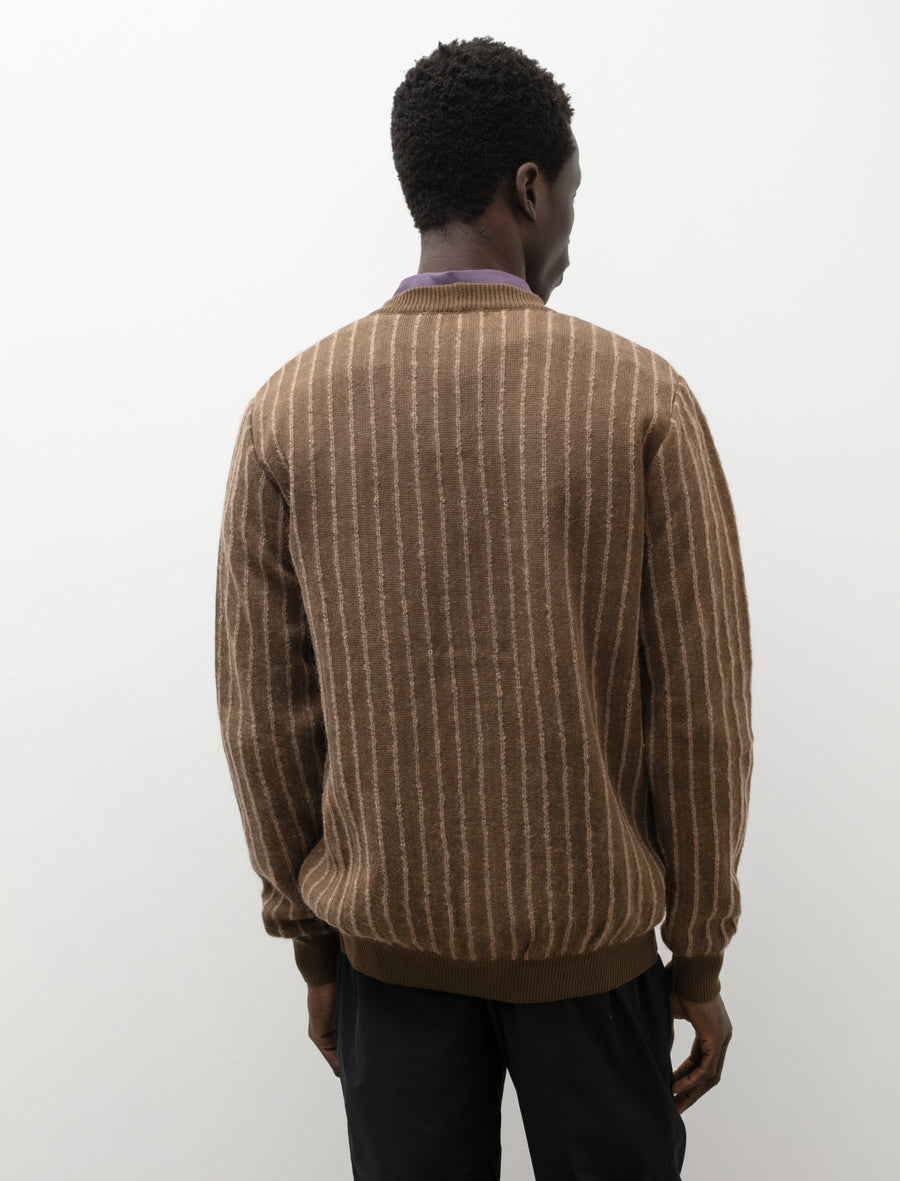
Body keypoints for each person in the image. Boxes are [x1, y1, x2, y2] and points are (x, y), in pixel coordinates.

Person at [214, 34, 753, 1181]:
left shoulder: (286, 413)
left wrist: (313, 945)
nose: (570, 233)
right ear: (530, 187)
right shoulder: (641, 397)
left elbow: (265, 716)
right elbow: (701, 710)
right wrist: (698, 953)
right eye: (570, 197)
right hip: (595, 961)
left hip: (389, 963)